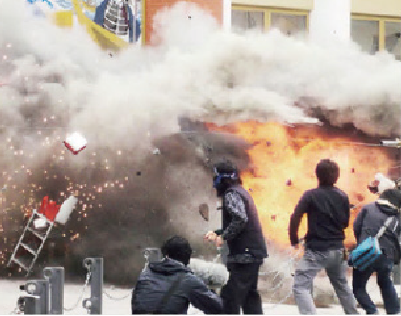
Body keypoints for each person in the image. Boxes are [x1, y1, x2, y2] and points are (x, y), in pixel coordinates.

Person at [289, 159, 358, 314]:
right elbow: (345, 223)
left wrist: (294, 240)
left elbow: (295, 218)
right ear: (337, 177)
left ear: (317, 175)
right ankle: (353, 313)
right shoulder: (343, 196)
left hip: (317, 250)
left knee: (301, 285)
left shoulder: (310, 195)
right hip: (338, 249)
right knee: (341, 285)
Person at [204, 160, 267, 314]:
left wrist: (223, 236)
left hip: (244, 254)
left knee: (230, 297)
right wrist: (219, 232)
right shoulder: (241, 191)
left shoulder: (231, 193)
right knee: (249, 297)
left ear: (223, 178)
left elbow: (240, 218)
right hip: (252, 253)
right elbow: (239, 221)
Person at [131, 236, 223, 314]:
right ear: (187, 257)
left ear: (165, 255)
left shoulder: (145, 274)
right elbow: (219, 308)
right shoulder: (188, 280)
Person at [352, 188, 401, 314]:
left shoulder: (368, 208)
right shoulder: (397, 216)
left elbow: (356, 227)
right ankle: (394, 311)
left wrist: (364, 244)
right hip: (387, 255)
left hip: (367, 252)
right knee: (385, 282)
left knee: (358, 287)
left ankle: (372, 310)